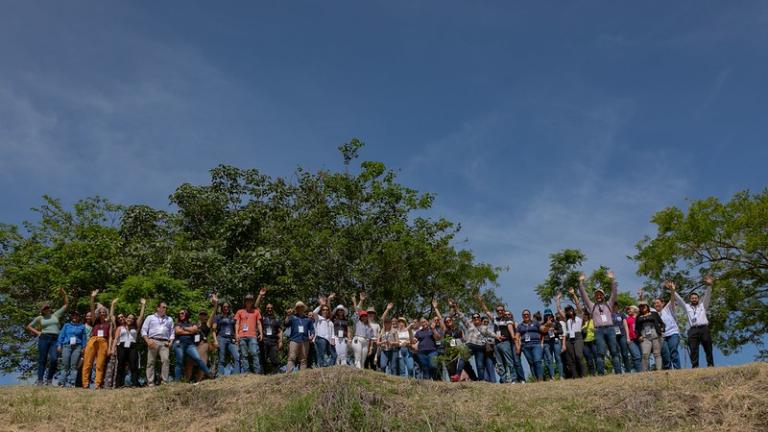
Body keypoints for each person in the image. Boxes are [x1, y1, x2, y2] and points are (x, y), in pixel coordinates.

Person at [577, 271, 623, 375]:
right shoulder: (591, 305)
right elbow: (584, 296)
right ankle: (601, 374)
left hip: (610, 329)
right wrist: (580, 283)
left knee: (614, 351)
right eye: (597, 295)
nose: (598, 296)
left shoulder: (608, 304)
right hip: (598, 331)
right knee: (600, 353)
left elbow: (614, 293)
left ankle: (618, 373)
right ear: (595, 297)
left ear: (603, 296)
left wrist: (612, 280)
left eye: (600, 294)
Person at [26, 287, 69, 386]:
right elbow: (28, 326)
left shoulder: (55, 315)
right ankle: (40, 380)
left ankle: (49, 380)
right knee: (42, 359)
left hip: (55, 339)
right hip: (44, 338)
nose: (47, 309)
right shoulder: (40, 318)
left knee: (54, 359)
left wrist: (64, 294)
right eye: (45, 308)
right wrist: (38, 332)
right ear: (43, 310)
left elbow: (66, 304)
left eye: (48, 308)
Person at [672, 275, 715, 368]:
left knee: (708, 347)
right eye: (692, 298)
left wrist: (709, 286)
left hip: (704, 328)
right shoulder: (687, 307)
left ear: (698, 299)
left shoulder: (703, 306)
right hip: (693, 330)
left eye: (695, 298)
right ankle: (695, 366)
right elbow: (679, 301)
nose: (694, 299)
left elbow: (708, 296)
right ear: (690, 299)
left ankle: (710, 364)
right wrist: (673, 291)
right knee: (693, 348)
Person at [451, 299, 496, 382]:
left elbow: (490, 333)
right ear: (472, 319)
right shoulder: (470, 325)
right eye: (474, 317)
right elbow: (462, 317)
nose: (476, 318)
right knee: (462, 358)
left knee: (480, 364)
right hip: (470, 345)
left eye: (477, 317)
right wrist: (456, 308)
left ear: (480, 318)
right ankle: (457, 375)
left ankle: (481, 380)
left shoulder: (483, 327)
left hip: (480, 346)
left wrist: (498, 336)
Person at [641, 282, 682, 370]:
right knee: (665, 354)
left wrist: (672, 290)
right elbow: (644, 306)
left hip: (672, 334)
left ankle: (678, 369)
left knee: (673, 351)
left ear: (663, 303)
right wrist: (641, 296)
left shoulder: (668, 309)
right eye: (655, 303)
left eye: (658, 303)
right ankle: (668, 370)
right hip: (662, 336)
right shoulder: (653, 312)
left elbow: (672, 300)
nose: (656, 305)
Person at [477, 298, 517, 383]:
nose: (500, 312)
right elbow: (486, 312)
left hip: (505, 343)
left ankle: (514, 379)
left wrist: (513, 336)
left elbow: (510, 328)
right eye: (498, 310)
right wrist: (481, 301)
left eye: (501, 310)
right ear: (496, 311)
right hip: (497, 343)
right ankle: (504, 379)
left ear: (504, 311)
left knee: (509, 361)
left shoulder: (507, 319)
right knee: (500, 363)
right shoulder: (495, 319)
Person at [110, 299, 146, 387]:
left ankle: (134, 383)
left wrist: (143, 305)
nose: (130, 319)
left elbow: (141, 317)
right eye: (129, 317)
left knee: (133, 365)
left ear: (134, 320)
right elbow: (116, 339)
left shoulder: (135, 327)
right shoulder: (120, 327)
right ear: (126, 318)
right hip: (121, 346)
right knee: (120, 365)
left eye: (132, 318)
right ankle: (119, 384)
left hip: (132, 346)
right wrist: (112, 349)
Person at [82, 290, 113, 389]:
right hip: (93, 340)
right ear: (98, 313)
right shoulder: (95, 320)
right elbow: (92, 308)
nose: (102, 313)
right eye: (100, 312)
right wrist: (92, 298)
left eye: (104, 312)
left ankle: (97, 384)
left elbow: (110, 336)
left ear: (106, 313)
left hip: (104, 342)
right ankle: (85, 384)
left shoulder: (109, 323)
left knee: (100, 364)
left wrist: (109, 348)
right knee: (87, 363)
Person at [140, 301, 174, 386]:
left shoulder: (169, 319)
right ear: (158, 308)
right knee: (150, 362)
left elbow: (172, 332)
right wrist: (147, 341)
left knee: (165, 360)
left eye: (166, 307)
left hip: (165, 342)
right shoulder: (150, 317)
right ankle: (150, 383)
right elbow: (143, 330)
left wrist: (171, 342)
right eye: (163, 307)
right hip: (153, 341)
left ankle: (164, 382)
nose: (165, 309)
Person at [173, 309, 212, 380]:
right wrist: (190, 331)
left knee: (198, 358)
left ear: (186, 314)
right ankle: (177, 380)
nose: (180, 315)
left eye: (182, 313)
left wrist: (184, 328)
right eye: (179, 314)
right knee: (180, 360)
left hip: (190, 345)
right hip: (179, 343)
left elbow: (194, 330)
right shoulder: (177, 323)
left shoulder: (192, 323)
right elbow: (178, 331)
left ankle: (209, 373)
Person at [556, 290, 585, 379]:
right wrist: (558, 299)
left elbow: (578, 305)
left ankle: (583, 375)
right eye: (567, 310)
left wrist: (573, 295)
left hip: (578, 337)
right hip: (569, 339)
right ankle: (575, 376)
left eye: (570, 309)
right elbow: (559, 309)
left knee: (578, 355)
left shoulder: (579, 316)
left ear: (573, 310)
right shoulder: (566, 319)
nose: (569, 311)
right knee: (571, 359)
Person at [184, 302, 215, 382]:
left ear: (206, 316)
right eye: (201, 314)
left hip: (203, 344)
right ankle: (187, 381)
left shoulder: (207, 324)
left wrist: (216, 304)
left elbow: (213, 313)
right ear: (199, 315)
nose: (203, 316)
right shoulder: (194, 324)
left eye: (204, 315)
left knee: (203, 359)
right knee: (189, 362)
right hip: (194, 345)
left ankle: (199, 381)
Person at [211, 295, 240, 376]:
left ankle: (236, 375)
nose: (226, 308)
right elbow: (213, 330)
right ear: (222, 308)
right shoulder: (218, 317)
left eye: (227, 307)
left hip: (231, 339)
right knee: (222, 358)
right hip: (221, 338)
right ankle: (220, 375)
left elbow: (235, 329)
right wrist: (215, 341)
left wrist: (236, 339)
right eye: (224, 307)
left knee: (237, 357)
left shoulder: (232, 317)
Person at [55, 309, 85, 387]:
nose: (75, 317)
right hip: (66, 346)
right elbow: (61, 335)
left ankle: (72, 383)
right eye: (73, 315)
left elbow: (84, 338)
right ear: (71, 317)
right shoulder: (66, 325)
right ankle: (61, 383)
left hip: (77, 347)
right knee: (65, 365)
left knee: (74, 366)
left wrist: (83, 347)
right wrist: (59, 345)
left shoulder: (82, 326)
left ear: (79, 317)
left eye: (76, 315)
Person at [235, 293, 263, 374]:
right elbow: (237, 323)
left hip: (253, 336)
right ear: (245, 301)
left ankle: (257, 373)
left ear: (252, 302)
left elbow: (258, 323)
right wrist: (236, 334)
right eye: (247, 300)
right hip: (242, 336)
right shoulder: (239, 311)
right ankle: (247, 373)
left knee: (254, 353)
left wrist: (261, 333)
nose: (249, 302)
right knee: (244, 355)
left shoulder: (256, 312)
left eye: (250, 300)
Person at [284, 301, 314, 372]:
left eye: (301, 307)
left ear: (303, 308)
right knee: (291, 358)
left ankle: (302, 376)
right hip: (294, 340)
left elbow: (312, 329)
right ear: (296, 308)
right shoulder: (292, 317)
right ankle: (288, 375)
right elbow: (286, 323)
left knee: (303, 359)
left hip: (305, 340)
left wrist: (312, 336)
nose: (300, 308)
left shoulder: (308, 319)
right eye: (298, 307)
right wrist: (288, 315)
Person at [635, 301, 665, 371]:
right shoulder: (638, 317)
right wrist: (639, 336)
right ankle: (645, 371)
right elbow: (636, 329)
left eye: (644, 306)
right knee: (645, 354)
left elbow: (662, 323)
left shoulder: (654, 314)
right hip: (644, 336)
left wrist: (662, 329)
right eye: (640, 306)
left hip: (655, 334)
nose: (642, 307)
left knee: (657, 353)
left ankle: (659, 370)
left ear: (647, 306)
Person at [517, 309, 545, 381]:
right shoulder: (520, 326)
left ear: (530, 315)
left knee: (537, 361)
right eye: (524, 315)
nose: (526, 315)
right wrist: (517, 344)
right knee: (531, 363)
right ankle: (535, 379)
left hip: (536, 344)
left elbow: (542, 330)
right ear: (522, 316)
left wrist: (547, 326)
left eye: (527, 314)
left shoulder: (535, 323)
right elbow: (517, 336)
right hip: (525, 346)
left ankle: (540, 378)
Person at [413, 315, 442, 380]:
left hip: (432, 351)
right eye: (422, 322)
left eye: (425, 321)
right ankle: (427, 384)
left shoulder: (432, 329)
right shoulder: (418, 332)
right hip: (421, 353)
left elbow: (438, 338)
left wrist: (434, 329)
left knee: (433, 366)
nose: (424, 323)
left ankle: (437, 380)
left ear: (428, 322)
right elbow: (414, 340)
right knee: (425, 368)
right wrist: (412, 338)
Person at [350, 293, 375, 369]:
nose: (364, 317)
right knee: (358, 358)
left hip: (366, 342)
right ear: (360, 317)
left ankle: (361, 373)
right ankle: (357, 371)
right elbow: (357, 311)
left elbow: (370, 339)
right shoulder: (357, 322)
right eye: (362, 316)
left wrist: (370, 348)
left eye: (365, 316)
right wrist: (361, 301)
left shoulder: (369, 327)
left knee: (363, 360)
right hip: (358, 339)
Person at [260, 297, 283, 374]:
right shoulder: (262, 318)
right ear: (266, 309)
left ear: (273, 309)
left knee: (274, 359)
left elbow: (280, 331)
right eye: (268, 308)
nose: (269, 309)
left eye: (271, 308)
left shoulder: (277, 319)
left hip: (273, 342)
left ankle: (275, 373)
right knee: (263, 358)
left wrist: (280, 342)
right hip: (264, 341)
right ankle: (262, 374)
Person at [312, 294, 336, 368]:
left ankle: (329, 366)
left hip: (329, 340)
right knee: (321, 355)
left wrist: (333, 339)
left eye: (327, 310)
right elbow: (314, 313)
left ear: (328, 311)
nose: (325, 311)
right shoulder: (318, 318)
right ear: (321, 311)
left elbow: (332, 333)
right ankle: (322, 367)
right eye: (323, 310)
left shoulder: (330, 322)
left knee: (334, 355)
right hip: (320, 339)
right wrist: (321, 305)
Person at [541, 308, 565, 380]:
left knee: (558, 358)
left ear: (552, 315)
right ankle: (552, 376)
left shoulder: (556, 322)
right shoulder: (542, 324)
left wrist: (555, 331)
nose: (548, 316)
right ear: (544, 316)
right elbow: (541, 333)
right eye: (546, 315)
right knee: (549, 359)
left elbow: (561, 331)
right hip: (547, 342)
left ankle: (561, 376)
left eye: (549, 314)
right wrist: (547, 326)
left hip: (556, 341)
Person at [611, 304, 632, 374]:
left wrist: (628, 337)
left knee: (625, 353)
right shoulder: (609, 315)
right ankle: (618, 372)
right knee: (616, 354)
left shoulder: (621, 314)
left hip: (622, 335)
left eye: (616, 306)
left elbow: (625, 325)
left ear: (618, 306)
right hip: (613, 336)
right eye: (613, 306)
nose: (614, 307)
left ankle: (628, 371)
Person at [624, 305, 642, 373]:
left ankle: (646, 371)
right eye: (627, 310)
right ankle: (640, 372)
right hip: (631, 340)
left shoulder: (639, 317)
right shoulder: (626, 319)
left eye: (630, 309)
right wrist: (628, 338)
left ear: (635, 309)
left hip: (640, 339)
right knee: (636, 356)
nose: (628, 310)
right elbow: (626, 329)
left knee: (644, 356)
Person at [581, 310, 597, 376]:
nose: (584, 316)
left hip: (593, 341)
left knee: (596, 357)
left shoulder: (592, 321)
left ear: (588, 315)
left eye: (586, 315)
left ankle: (600, 371)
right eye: (583, 315)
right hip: (585, 343)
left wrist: (594, 330)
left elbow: (597, 329)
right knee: (589, 359)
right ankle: (592, 373)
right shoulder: (581, 324)